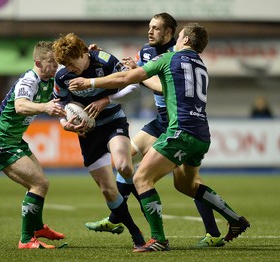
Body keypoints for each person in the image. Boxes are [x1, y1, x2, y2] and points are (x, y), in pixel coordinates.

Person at [69, 23, 250, 252]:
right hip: (201, 134)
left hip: (180, 131)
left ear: (184, 40)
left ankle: (158, 240)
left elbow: (127, 78)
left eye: (179, 36)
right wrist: (99, 57)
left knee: (141, 178)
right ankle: (235, 219)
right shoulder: (201, 65)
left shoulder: (170, 58)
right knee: (186, 185)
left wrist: (90, 82)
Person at [52, 33, 145, 248]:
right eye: (65, 64)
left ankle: (154, 221)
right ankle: (135, 234)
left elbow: (135, 88)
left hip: (113, 121)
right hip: (88, 132)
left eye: (72, 63)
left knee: (124, 166)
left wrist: (106, 100)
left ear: (84, 53)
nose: (70, 69)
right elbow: (59, 105)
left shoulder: (105, 60)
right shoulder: (62, 75)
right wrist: (66, 123)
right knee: (107, 189)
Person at [0, 41, 67, 249]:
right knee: (38, 184)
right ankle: (26, 239)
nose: (55, 64)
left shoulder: (49, 79)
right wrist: (45, 107)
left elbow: (57, 104)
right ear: (38, 62)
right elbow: (20, 106)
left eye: (56, 60)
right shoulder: (29, 80)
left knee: (42, 184)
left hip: (14, 141)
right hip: (1, 143)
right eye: (51, 61)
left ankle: (37, 227)